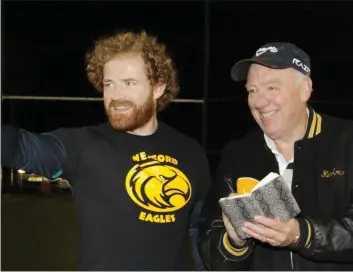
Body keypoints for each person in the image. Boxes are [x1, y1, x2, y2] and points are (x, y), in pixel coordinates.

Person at [2, 31, 211, 270]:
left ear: (158, 88)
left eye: (129, 83)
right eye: (109, 84)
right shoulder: (82, 145)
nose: (116, 95)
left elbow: (197, 232)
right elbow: (19, 147)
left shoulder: (190, 151)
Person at [198, 42, 353, 270]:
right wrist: (234, 242)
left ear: (304, 90)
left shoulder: (346, 141)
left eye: (272, 88)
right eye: (252, 90)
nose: (259, 102)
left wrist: (301, 234)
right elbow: (211, 252)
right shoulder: (239, 154)